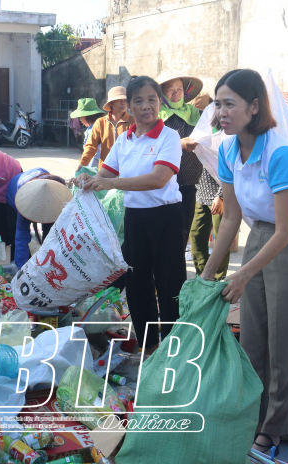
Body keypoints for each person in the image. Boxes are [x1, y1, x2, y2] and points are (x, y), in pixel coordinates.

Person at [200, 69, 288, 454]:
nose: (221, 112)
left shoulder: (280, 152)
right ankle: (251, 417)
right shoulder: (226, 150)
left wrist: (244, 272)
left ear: (254, 107)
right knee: (252, 339)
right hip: (258, 237)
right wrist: (205, 276)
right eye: (217, 104)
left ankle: (274, 428)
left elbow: (285, 230)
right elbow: (231, 218)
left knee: (283, 345)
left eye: (230, 104)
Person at [79, 76, 186, 355]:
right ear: (129, 106)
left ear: (160, 103)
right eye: (138, 100)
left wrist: (110, 183)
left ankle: (172, 350)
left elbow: (158, 179)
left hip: (167, 218)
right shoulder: (125, 140)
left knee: (169, 283)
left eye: (152, 99)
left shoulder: (169, 136)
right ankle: (150, 347)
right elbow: (105, 173)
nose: (146, 106)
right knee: (138, 286)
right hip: (136, 219)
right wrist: (85, 180)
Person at [156, 72, 206, 247]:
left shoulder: (196, 114)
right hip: (163, 183)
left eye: (179, 89)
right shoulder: (155, 116)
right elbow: (150, 144)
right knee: (165, 229)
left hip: (190, 181)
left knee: (184, 228)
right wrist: (179, 143)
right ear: (162, 93)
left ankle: (177, 264)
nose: (176, 93)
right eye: (170, 90)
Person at [188, 92, 230, 279]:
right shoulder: (200, 130)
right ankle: (202, 274)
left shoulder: (229, 131)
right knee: (196, 233)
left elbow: (231, 166)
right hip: (203, 187)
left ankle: (218, 277)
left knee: (222, 237)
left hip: (223, 190)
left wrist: (221, 195)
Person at [8, 171, 71, 268]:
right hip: (16, 190)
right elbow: (21, 237)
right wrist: (21, 269)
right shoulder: (24, 201)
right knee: (18, 233)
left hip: (40, 181)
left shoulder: (51, 185)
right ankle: (22, 262)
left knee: (50, 229)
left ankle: (48, 260)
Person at [77, 86, 133, 170]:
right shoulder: (100, 122)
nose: (123, 103)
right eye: (119, 100)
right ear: (111, 103)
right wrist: (82, 163)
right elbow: (91, 146)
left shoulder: (133, 122)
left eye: (125, 100)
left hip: (127, 170)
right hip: (105, 171)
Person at [69, 98, 106, 168]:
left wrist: (88, 169)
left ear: (88, 116)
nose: (80, 120)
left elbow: (95, 153)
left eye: (81, 117)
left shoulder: (92, 130)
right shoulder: (101, 126)